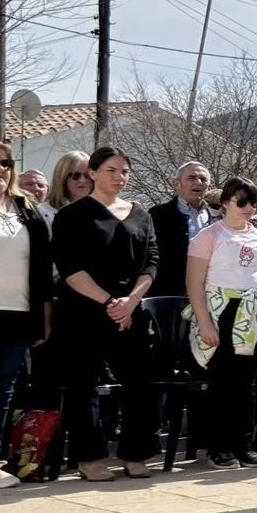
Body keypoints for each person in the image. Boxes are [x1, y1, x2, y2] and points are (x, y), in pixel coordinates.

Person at [50, 146, 159, 482]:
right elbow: (70, 268)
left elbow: (151, 262)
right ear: (93, 173)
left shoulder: (141, 214)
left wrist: (131, 301)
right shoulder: (72, 215)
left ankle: (135, 453)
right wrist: (110, 302)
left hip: (131, 310)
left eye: (124, 171)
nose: (119, 177)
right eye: (111, 170)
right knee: (84, 386)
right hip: (84, 311)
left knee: (139, 382)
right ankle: (90, 458)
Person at [186, 176, 257, 470]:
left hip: (252, 314)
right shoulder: (209, 236)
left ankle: (243, 444)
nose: (248, 208)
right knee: (222, 382)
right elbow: (194, 282)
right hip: (221, 311)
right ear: (225, 202)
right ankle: (219, 447)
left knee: (247, 383)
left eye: (254, 203)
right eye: (241, 202)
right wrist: (205, 322)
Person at [0, 140, 51, 489]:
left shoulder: (26, 208)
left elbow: (42, 268)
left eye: (6, 163)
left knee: (2, 392)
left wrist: (43, 318)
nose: (0, 169)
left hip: (18, 314)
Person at [149, 162, 213, 298]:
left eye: (203, 179)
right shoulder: (158, 215)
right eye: (191, 178)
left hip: (208, 294)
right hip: (169, 295)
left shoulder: (217, 217)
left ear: (209, 186)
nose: (198, 182)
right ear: (176, 184)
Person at [41, 150, 92, 226]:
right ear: (62, 178)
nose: (83, 180)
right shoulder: (43, 213)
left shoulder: (103, 211)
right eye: (75, 175)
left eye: (88, 175)